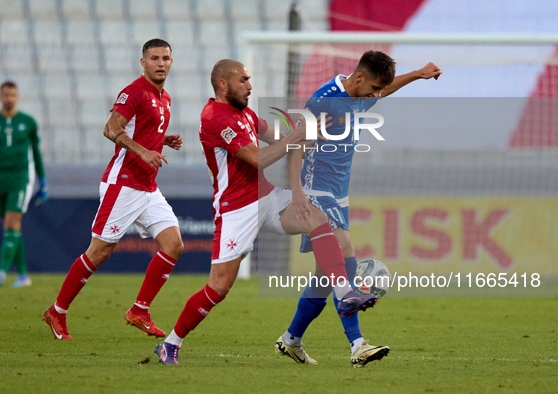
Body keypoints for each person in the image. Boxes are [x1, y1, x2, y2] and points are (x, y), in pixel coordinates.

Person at [153, 59, 378, 365]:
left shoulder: (245, 113)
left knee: (318, 217)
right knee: (219, 287)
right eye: (243, 79)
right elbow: (259, 158)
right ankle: (171, 343)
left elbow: (283, 139)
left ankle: (343, 291)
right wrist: (298, 136)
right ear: (222, 84)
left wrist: (309, 136)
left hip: (267, 198)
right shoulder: (215, 117)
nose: (249, 85)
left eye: (249, 79)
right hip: (235, 210)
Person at [276, 50, 442, 367]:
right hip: (315, 192)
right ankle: (357, 345)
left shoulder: (361, 92)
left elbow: (384, 91)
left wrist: (417, 73)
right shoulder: (322, 102)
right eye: (374, 88)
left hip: (340, 195)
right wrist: (297, 193)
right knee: (345, 254)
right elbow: (295, 147)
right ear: (360, 77)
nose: (376, 95)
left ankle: (291, 339)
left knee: (326, 276)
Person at [42, 38, 184, 340]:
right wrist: (143, 152)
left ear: (172, 62)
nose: (161, 63)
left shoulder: (165, 98)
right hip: (123, 184)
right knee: (99, 252)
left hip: (147, 186)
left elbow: (141, 132)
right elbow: (111, 128)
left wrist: (161, 141)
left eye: (166, 58)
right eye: (155, 58)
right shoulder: (134, 92)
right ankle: (57, 311)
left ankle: (139, 311)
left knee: (174, 244)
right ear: (143, 62)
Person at [0, 81, 48, 288]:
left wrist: (42, 179)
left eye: (12, 95)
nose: (9, 98)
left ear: (17, 97)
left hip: (21, 177)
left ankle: (2, 272)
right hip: (0, 178)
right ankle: (23, 275)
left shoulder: (28, 122)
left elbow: (36, 153)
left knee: (12, 223)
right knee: (11, 228)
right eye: (5, 95)